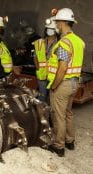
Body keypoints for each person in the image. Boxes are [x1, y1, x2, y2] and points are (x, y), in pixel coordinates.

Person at [46, 8, 85, 157]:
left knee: (58, 115)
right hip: (74, 83)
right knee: (68, 113)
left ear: (62, 23)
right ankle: (70, 141)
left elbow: (62, 67)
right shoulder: (78, 41)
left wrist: (54, 86)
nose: (55, 24)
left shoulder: (64, 43)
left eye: (56, 21)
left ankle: (59, 146)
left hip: (63, 84)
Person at [33, 17, 58, 102]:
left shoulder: (60, 43)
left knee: (53, 98)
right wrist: (38, 68)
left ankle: (51, 114)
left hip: (54, 76)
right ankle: (41, 114)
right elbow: (35, 57)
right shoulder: (39, 42)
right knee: (42, 96)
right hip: (42, 74)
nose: (49, 30)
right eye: (48, 28)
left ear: (56, 31)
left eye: (52, 29)